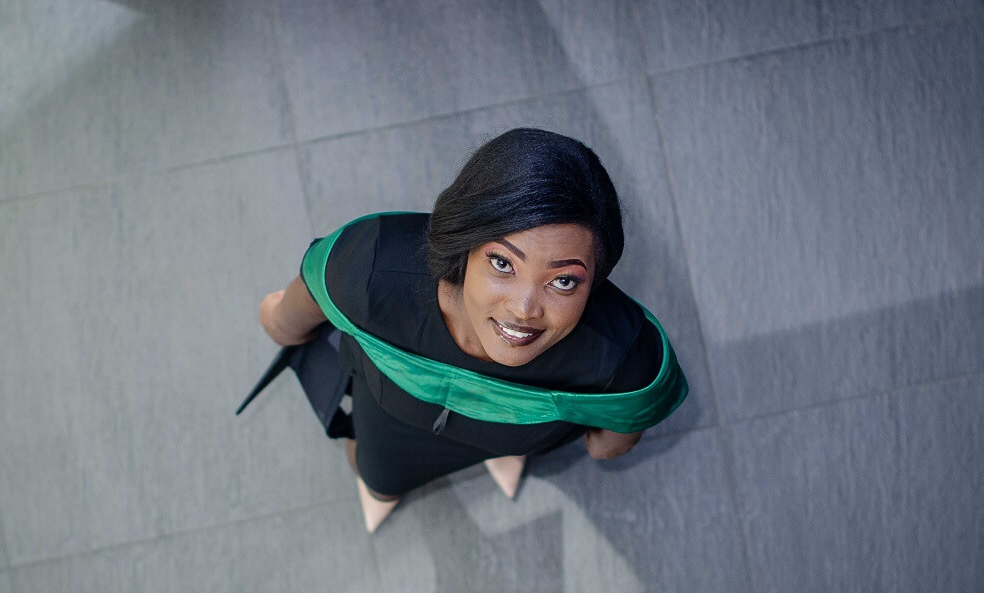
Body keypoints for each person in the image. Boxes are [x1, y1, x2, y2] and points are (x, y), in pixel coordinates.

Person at [257, 128, 686, 532]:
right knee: (374, 473)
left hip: (505, 440)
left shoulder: (625, 358)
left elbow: (609, 446)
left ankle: (494, 456)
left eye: (563, 281)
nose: (523, 310)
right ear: (465, 240)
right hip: (389, 428)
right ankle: (386, 485)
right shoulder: (365, 268)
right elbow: (283, 322)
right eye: (502, 263)